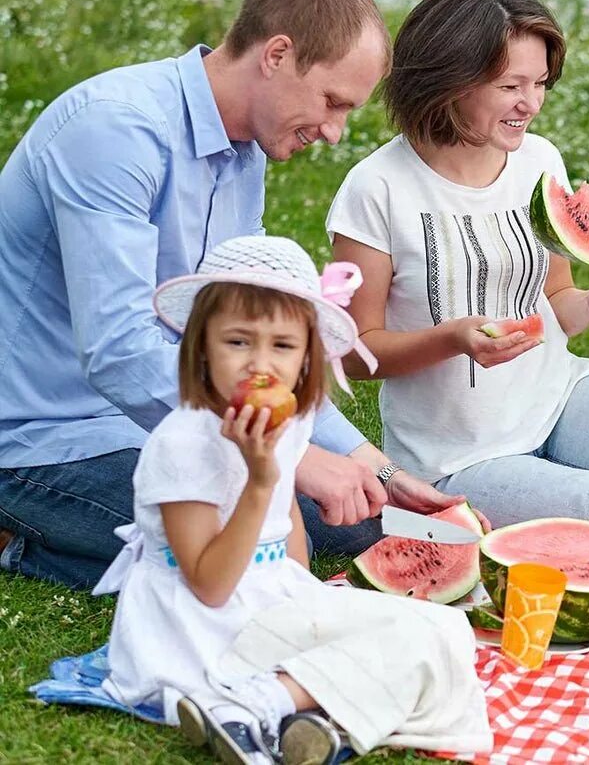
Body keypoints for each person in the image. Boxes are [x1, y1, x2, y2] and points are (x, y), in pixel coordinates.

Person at [0, 0, 460, 589]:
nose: (333, 132)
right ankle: (19, 535)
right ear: (277, 55)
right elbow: (118, 352)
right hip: (43, 437)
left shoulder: (243, 152)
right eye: (332, 102)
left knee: (360, 519)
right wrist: (294, 454)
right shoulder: (115, 130)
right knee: (227, 546)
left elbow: (252, 333)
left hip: (172, 418)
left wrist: (372, 466)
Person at [325, 0, 589, 548]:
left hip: (557, 400)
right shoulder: (376, 188)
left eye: (540, 83)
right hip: (459, 457)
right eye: (510, 85)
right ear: (449, 80)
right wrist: (454, 339)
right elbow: (354, 352)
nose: (531, 103)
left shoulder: (537, 160)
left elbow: (557, 307)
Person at [95, 235, 492, 764]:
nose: (261, 363)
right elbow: (210, 586)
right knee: (405, 649)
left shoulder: (287, 422)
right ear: (199, 344)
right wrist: (259, 481)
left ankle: (280, 709)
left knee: (445, 630)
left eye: (282, 346)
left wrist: (308, 604)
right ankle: (260, 703)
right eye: (238, 342)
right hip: (197, 632)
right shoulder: (183, 445)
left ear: (307, 357)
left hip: (266, 602)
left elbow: (286, 531)